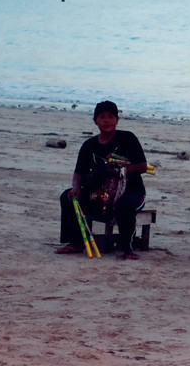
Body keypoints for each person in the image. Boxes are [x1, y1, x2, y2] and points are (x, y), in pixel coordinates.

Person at [56, 101, 148, 260]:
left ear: (117, 120)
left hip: (131, 192)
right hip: (101, 194)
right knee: (68, 197)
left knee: (124, 205)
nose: (106, 121)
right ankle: (76, 243)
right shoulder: (89, 145)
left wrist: (120, 170)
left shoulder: (128, 138)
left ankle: (127, 248)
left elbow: (142, 166)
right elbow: (79, 172)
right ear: (95, 121)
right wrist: (76, 187)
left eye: (110, 117)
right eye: (102, 117)